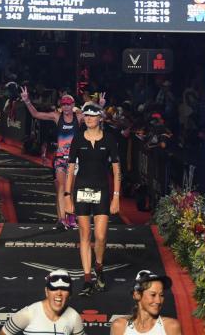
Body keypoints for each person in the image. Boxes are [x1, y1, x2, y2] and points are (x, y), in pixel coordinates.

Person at [20, 86, 104, 230]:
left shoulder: (79, 117)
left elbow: (96, 118)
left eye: (68, 104)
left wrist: (101, 105)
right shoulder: (56, 116)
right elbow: (36, 114)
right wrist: (27, 101)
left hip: (74, 159)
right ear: (61, 105)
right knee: (61, 188)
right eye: (63, 104)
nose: (66, 107)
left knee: (71, 189)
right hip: (60, 159)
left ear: (73, 105)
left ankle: (71, 217)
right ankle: (61, 219)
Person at [65, 103, 121, 296]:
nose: (88, 118)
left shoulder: (110, 139)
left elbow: (116, 169)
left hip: (102, 191)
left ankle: (99, 266)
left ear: (100, 118)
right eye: (86, 115)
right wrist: (67, 195)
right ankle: (88, 279)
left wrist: (116, 197)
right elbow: (70, 168)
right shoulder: (78, 138)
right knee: (85, 235)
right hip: (81, 190)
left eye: (92, 115)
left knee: (101, 236)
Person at [0, 269, 85, 335]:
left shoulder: (74, 316)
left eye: (64, 289)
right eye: (54, 289)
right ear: (46, 291)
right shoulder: (28, 314)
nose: (59, 293)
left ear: (70, 294)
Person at [110, 270, 182, 335]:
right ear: (137, 295)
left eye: (161, 295)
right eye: (153, 295)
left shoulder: (171, 327)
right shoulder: (119, 326)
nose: (158, 301)